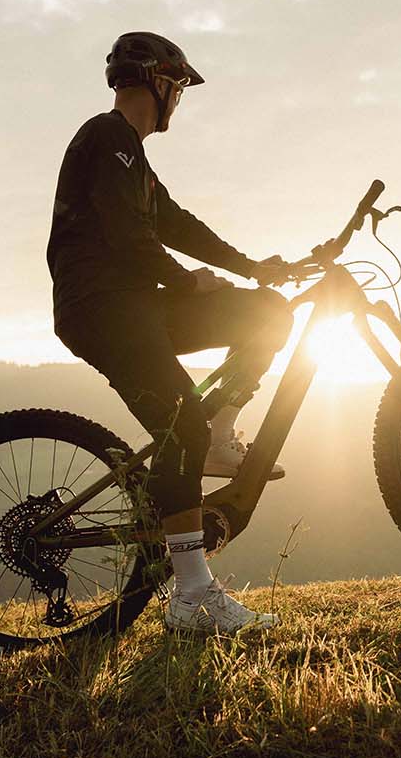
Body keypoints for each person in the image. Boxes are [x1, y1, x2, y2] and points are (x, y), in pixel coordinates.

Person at [46, 31, 293, 637]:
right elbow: (130, 236)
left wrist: (252, 268)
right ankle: (191, 597)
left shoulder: (131, 155)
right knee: (178, 423)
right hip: (102, 309)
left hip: (138, 306)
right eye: (178, 87)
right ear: (156, 81)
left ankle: (218, 432)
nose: (179, 101)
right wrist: (185, 284)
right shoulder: (106, 138)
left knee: (267, 311)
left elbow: (176, 223)